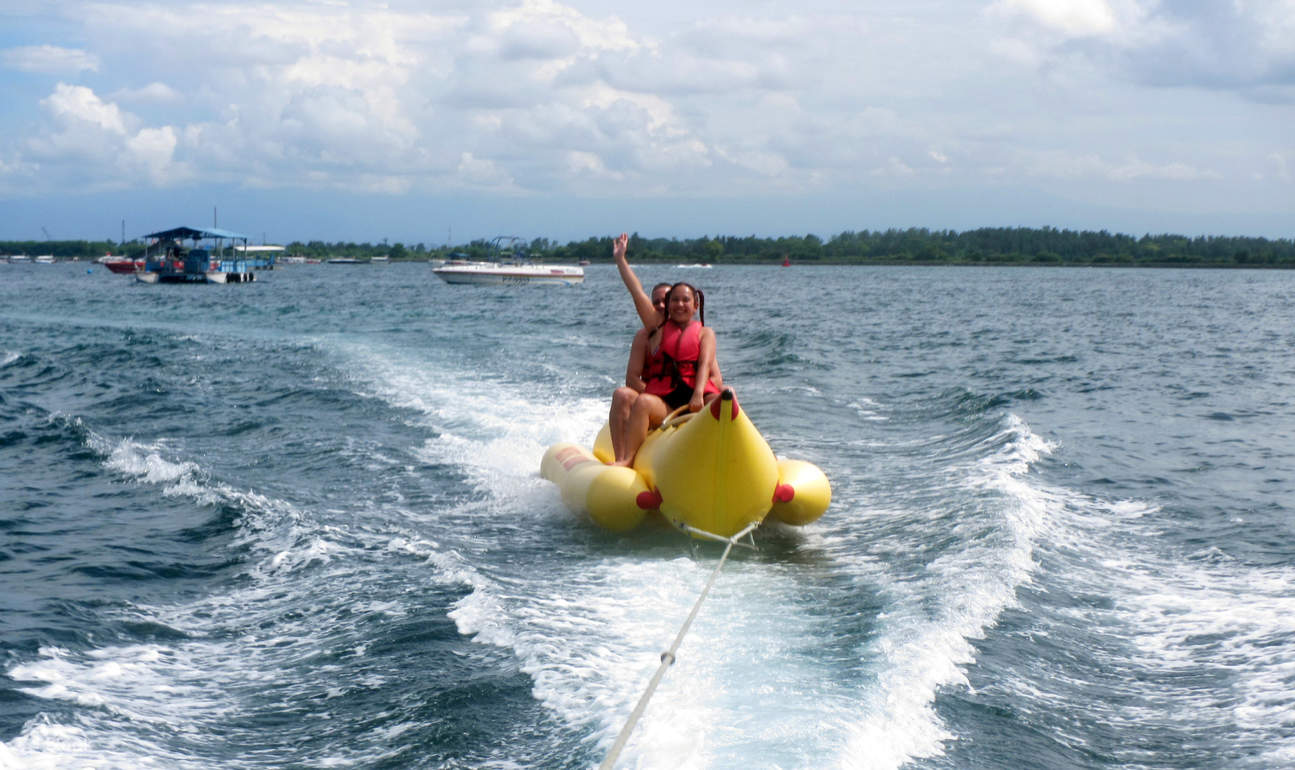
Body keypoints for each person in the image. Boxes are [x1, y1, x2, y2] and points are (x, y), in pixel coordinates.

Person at [609, 281, 721, 466]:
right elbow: (631, 378)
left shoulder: (702, 334)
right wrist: (656, 393)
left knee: (727, 394)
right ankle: (624, 459)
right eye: (657, 302)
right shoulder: (649, 335)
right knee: (627, 396)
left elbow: (712, 373)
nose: (662, 305)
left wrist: (698, 393)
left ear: (695, 305)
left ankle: (755, 453)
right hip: (660, 400)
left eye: (684, 300)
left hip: (693, 396)